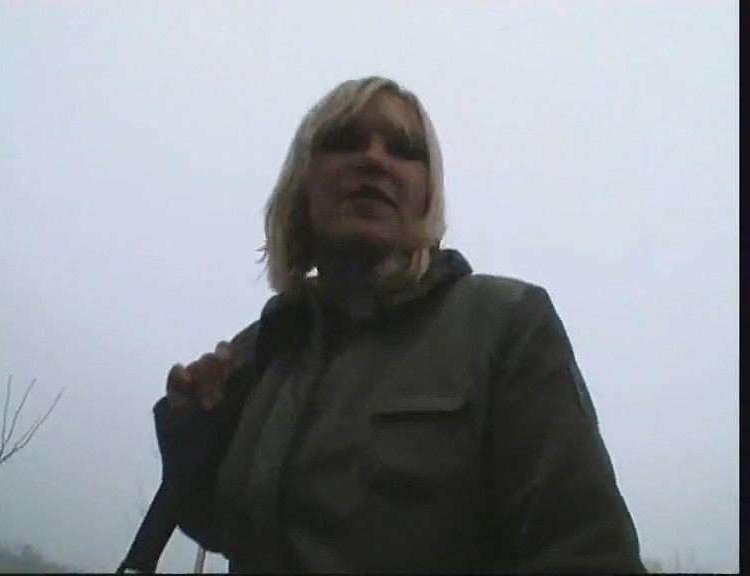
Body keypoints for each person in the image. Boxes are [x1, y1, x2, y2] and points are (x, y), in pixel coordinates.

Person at [158, 76, 646, 573]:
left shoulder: (505, 323)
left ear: (427, 194)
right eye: (345, 141)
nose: (374, 159)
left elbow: (583, 550)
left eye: (404, 149)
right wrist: (193, 428)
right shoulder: (263, 348)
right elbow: (229, 529)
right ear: (302, 183)